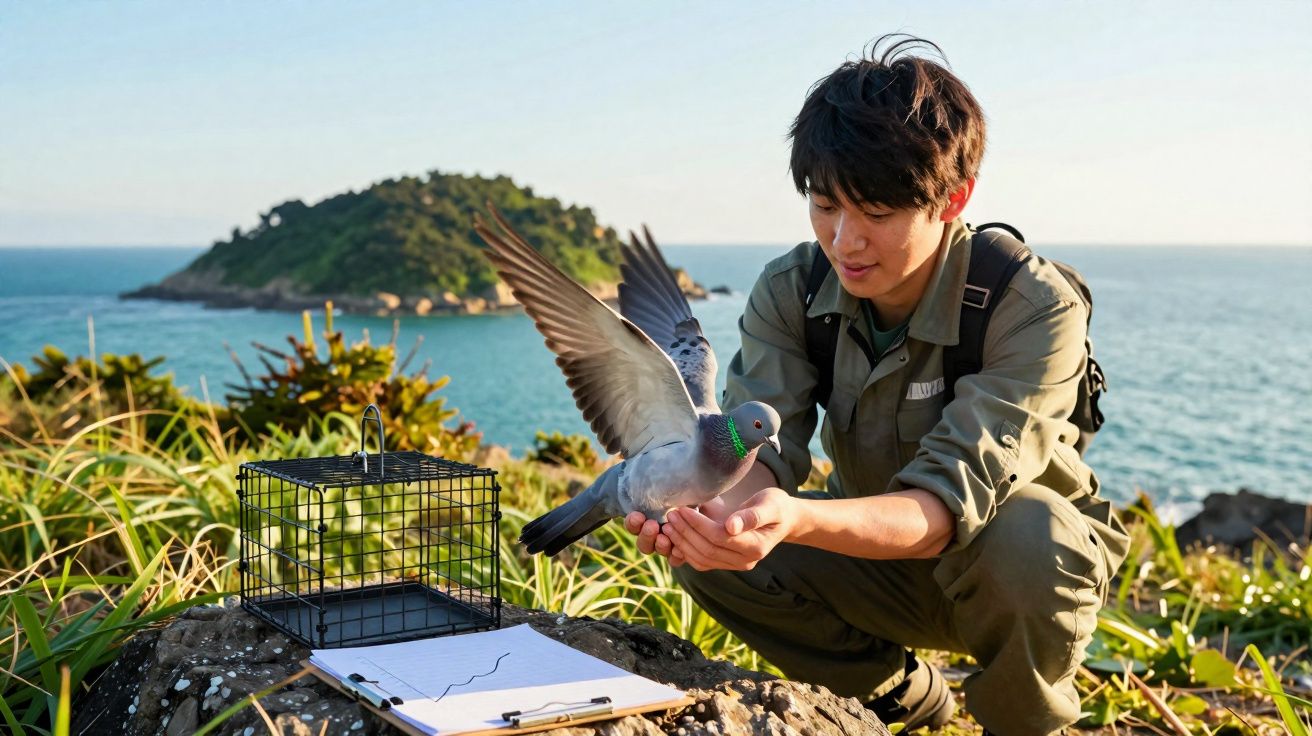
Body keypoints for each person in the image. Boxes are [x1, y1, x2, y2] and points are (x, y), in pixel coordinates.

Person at [623, 35, 1129, 735]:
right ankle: (900, 698)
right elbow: (756, 455)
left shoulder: (1031, 303)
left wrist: (794, 519)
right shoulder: (791, 288)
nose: (845, 240)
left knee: (1030, 536)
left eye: (878, 214)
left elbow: (947, 507)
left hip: (1009, 573)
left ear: (954, 199)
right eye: (825, 205)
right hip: (875, 557)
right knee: (708, 540)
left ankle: (1023, 723)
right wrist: (722, 518)